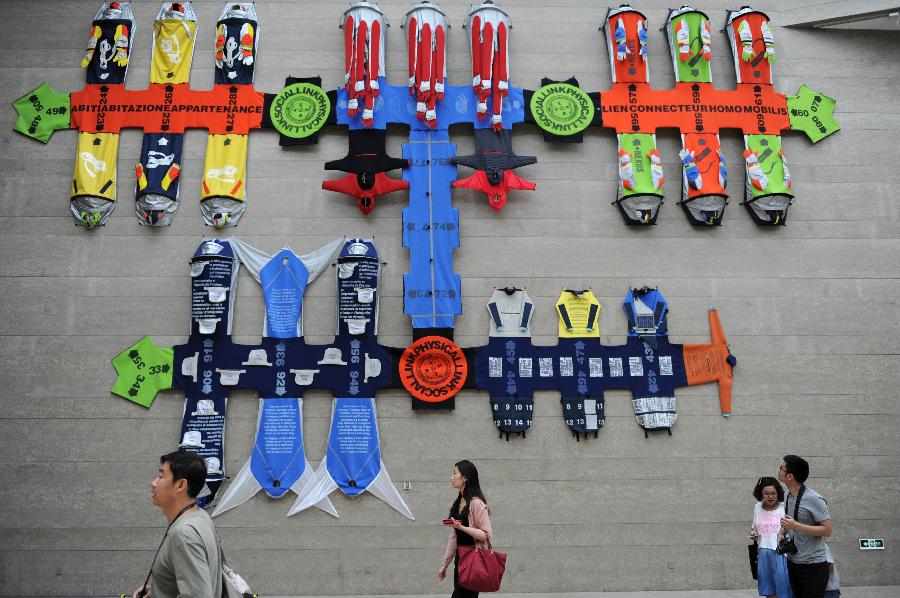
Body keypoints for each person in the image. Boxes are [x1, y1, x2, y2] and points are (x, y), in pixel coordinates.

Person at [133, 451, 222, 598]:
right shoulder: (200, 516)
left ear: (180, 485)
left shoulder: (184, 534)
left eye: (161, 477)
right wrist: (159, 589)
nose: (153, 483)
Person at [778, 455, 832, 598]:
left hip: (814, 566)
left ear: (790, 476)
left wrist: (797, 526)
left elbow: (827, 530)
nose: (778, 470)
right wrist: (782, 532)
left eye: (781, 468)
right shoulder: (787, 495)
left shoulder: (814, 499)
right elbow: (790, 521)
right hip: (793, 562)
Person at [437, 460, 493, 598]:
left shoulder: (476, 503)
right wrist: (444, 565)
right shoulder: (458, 503)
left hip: (474, 560)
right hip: (460, 560)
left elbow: (486, 535)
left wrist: (462, 527)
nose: (451, 477)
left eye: (454, 473)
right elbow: (454, 537)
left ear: (465, 477)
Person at [750, 476, 793, 598]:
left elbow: (791, 526)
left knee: (783, 589)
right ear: (760, 494)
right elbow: (755, 526)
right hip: (763, 552)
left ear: (778, 493)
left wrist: (784, 530)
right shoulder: (757, 507)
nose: (770, 496)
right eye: (766, 493)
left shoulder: (784, 506)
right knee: (769, 590)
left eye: (773, 493)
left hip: (780, 552)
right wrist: (754, 533)